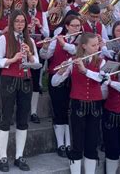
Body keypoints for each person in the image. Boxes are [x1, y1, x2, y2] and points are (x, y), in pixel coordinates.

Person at [52, 33, 106, 174]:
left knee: (91, 144)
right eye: (93, 45)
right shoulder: (73, 60)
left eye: (97, 45)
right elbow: (54, 82)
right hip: (77, 106)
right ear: (84, 46)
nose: (97, 47)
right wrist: (61, 72)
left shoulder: (102, 62)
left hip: (95, 106)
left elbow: (103, 79)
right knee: (76, 144)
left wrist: (85, 70)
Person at [0, 10, 40, 172]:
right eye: (17, 21)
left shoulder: (30, 41)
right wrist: (12, 59)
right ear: (12, 22)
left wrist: (29, 55)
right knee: (5, 118)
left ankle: (19, 156)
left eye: (23, 21)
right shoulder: (3, 38)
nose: (20, 24)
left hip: (26, 81)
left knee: (23, 119)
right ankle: (3, 157)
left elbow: (37, 64)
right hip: (8, 80)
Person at [40, 15, 80, 157]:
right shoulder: (58, 38)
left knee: (70, 111)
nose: (77, 28)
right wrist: (45, 47)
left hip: (74, 80)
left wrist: (64, 44)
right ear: (67, 26)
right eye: (74, 26)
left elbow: (75, 51)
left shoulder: (82, 40)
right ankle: (60, 145)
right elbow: (45, 56)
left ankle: (69, 144)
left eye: (78, 26)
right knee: (59, 111)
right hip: (55, 78)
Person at [22, 0, 50, 124]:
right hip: (23, 48)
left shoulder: (42, 14)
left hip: (37, 48)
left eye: (35, 0)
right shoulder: (21, 14)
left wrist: (39, 25)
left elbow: (46, 33)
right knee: (22, 79)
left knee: (35, 80)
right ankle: (22, 109)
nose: (34, 2)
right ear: (26, 0)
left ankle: (33, 111)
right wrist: (27, 29)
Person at [0, 0, 15, 121]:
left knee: (9, 83)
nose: (8, 2)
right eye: (6, 0)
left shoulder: (15, 14)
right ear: (2, 0)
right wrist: (1, 31)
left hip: (11, 49)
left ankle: (7, 113)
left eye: (11, 0)